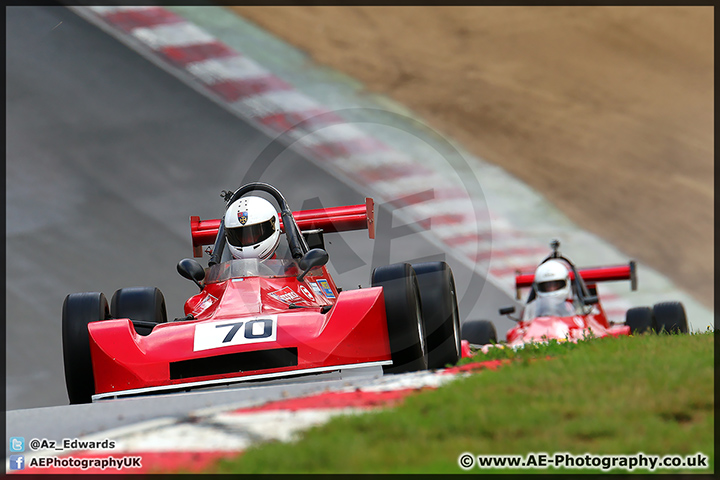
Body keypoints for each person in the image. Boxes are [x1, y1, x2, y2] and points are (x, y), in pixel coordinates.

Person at [224, 196, 281, 261]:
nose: (248, 240)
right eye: (241, 236)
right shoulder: (224, 269)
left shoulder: (289, 265)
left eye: (255, 233)